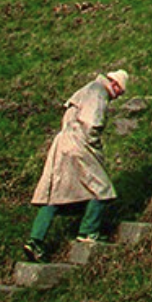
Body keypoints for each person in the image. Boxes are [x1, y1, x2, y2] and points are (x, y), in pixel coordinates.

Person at [22, 67, 129, 261]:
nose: (118, 96)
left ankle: (35, 241)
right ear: (114, 84)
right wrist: (96, 147)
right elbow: (92, 125)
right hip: (79, 145)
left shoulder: (87, 88)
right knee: (102, 189)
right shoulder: (99, 93)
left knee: (54, 194)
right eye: (120, 91)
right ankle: (88, 233)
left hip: (62, 144)